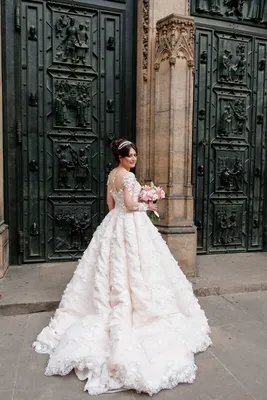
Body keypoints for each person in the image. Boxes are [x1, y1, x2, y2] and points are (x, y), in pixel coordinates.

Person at [33, 138, 211, 396]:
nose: (134, 159)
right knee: (137, 265)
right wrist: (147, 205)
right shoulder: (127, 177)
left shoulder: (112, 175)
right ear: (121, 157)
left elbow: (110, 205)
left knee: (109, 265)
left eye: (135, 155)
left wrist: (133, 204)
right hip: (131, 223)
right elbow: (128, 204)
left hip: (113, 223)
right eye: (130, 156)